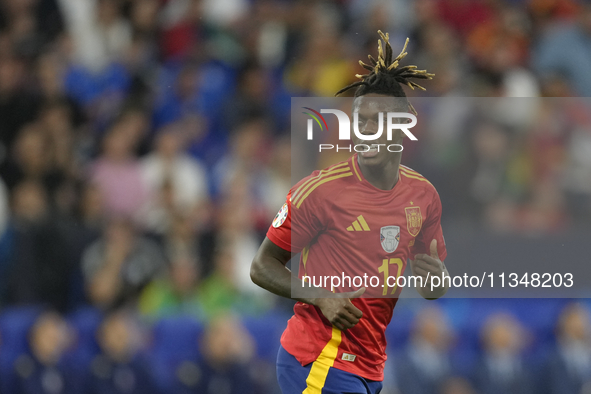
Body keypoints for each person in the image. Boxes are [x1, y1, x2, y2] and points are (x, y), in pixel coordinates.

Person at [250, 31, 449, 394]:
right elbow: (262, 266)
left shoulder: (423, 196)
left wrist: (437, 279)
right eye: (361, 120)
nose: (367, 130)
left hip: (370, 366)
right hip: (319, 359)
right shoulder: (320, 192)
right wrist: (320, 296)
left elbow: (430, 286)